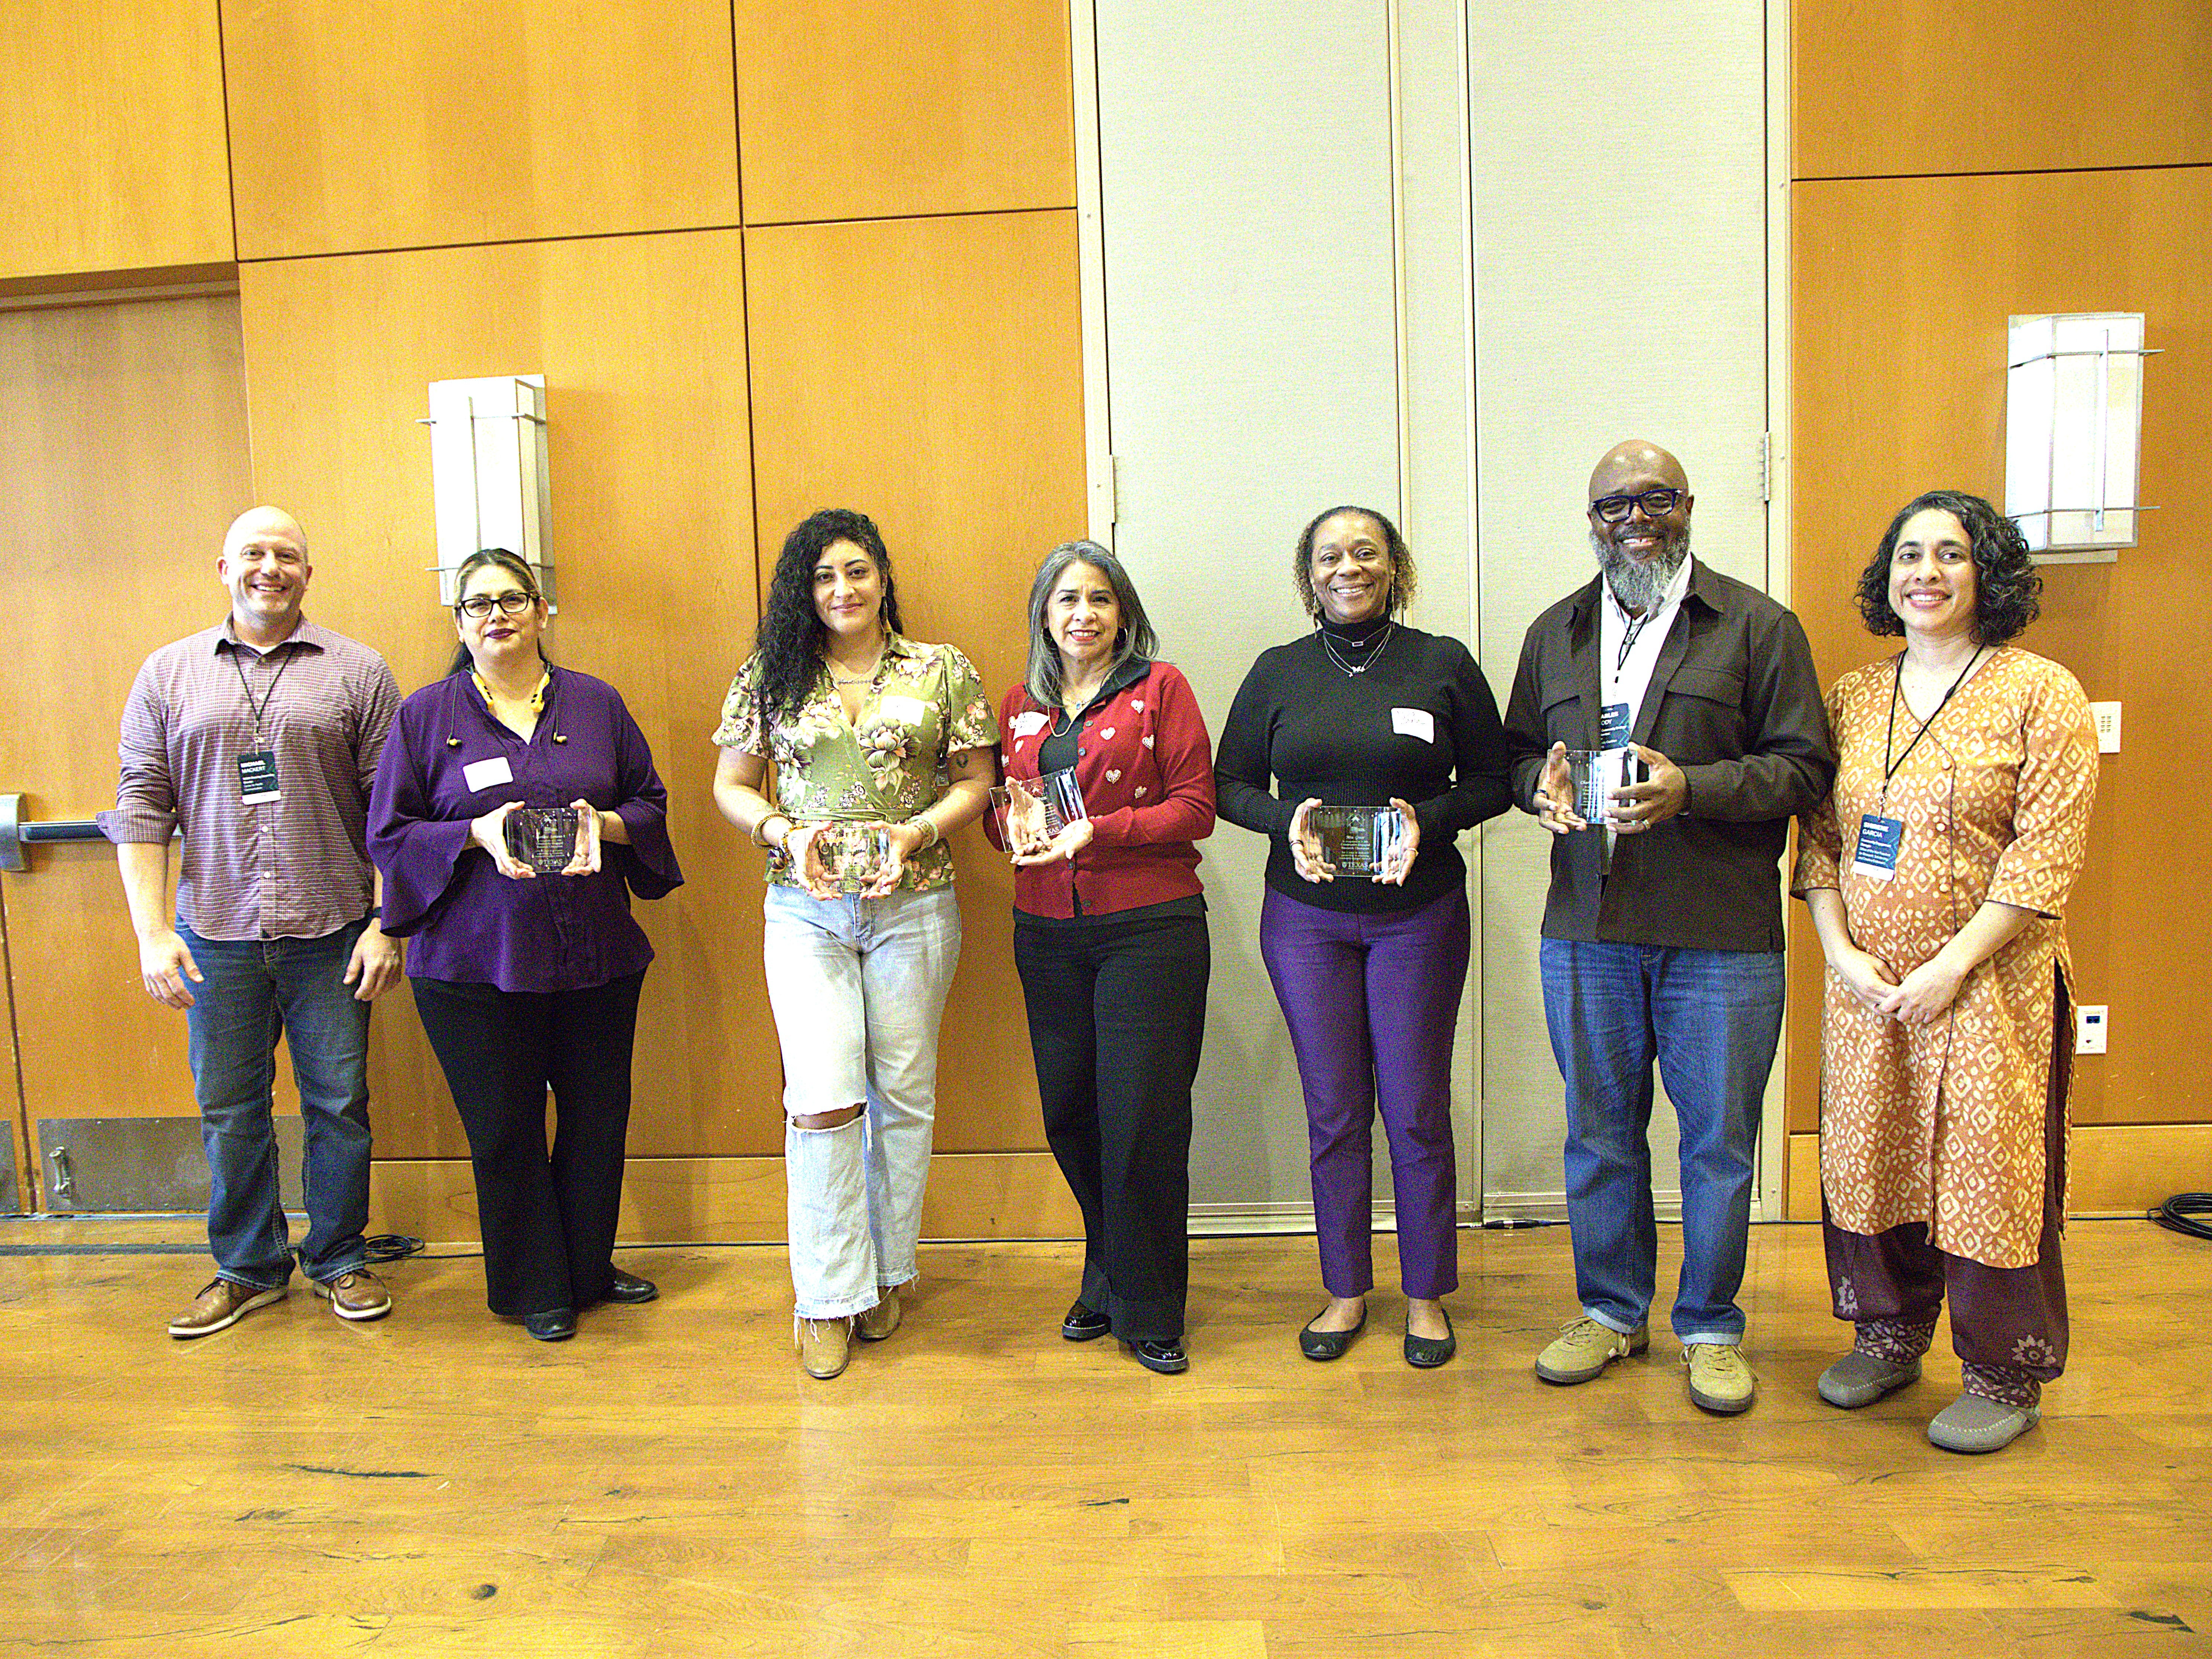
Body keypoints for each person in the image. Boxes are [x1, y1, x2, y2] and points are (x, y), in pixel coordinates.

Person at [1505, 439, 1833, 1415]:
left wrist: (1696, 789)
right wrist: (1539, 788)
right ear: (1593, 518)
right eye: (1614, 505)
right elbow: (1520, 753)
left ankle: (1711, 1326)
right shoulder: (1555, 632)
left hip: (1719, 936)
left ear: (1687, 506)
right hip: (1587, 930)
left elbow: (1807, 771)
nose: (1634, 518)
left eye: (1654, 499)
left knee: (1720, 1144)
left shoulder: (1757, 627)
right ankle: (1611, 1313)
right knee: (1600, 1136)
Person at [1792, 490, 2096, 1453]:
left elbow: (2044, 857)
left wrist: (1953, 967)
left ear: (1988, 574)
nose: (1926, 572)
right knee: (1871, 1158)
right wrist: (1841, 953)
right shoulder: (1851, 696)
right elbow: (1824, 843)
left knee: (1985, 1176)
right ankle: (1887, 1337)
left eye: (1952, 555)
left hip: (1988, 989)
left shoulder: (2041, 694)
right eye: (1910, 555)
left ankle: (2003, 1373)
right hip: (1870, 988)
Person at [1215, 505, 1510, 1368]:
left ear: (1395, 567)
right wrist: (1286, 820)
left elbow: (1494, 781)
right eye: (1329, 556)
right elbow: (1230, 784)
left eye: (1366, 552)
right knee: (1334, 1109)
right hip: (1305, 921)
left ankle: (1426, 1296)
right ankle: (1346, 1289)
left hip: (1418, 917)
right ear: (1308, 576)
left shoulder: (1443, 664)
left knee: (1416, 1108)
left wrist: (1432, 818)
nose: (1348, 567)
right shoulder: (1277, 672)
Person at [101, 506, 404, 1337]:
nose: (270, 567)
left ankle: (340, 1258)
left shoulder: (360, 670)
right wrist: (151, 932)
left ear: (309, 572)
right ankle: (247, 1266)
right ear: (223, 567)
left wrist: (389, 924)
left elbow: (393, 812)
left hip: (334, 929)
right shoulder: (166, 675)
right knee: (230, 1108)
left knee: (338, 1104)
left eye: (288, 556)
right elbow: (140, 809)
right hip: (216, 934)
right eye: (253, 554)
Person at [368, 548, 682, 1342]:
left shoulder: (598, 704)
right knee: (505, 1130)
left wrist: (601, 825)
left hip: (596, 957)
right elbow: (390, 834)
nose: (497, 614)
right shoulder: (424, 717)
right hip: (475, 967)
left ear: (544, 612)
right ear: (460, 623)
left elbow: (649, 802)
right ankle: (533, 1287)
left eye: (513, 599)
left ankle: (586, 1267)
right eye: (478, 604)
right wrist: (474, 832)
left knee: (596, 1120)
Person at [711, 509, 996, 1381]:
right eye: (825, 576)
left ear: (883, 578)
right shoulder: (770, 674)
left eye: (858, 572)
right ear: (807, 588)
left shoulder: (939, 669)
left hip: (915, 906)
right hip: (807, 911)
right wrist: (781, 832)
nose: (843, 590)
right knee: (825, 1097)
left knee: (903, 1094)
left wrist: (916, 834)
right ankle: (828, 1294)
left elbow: (978, 781)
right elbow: (730, 783)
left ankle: (886, 1274)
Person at [988, 540, 1215, 1375]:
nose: (1083, 614)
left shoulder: (1162, 689)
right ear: (1044, 615)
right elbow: (1004, 813)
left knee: (1141, 1121)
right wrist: (1004, 824)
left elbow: (1197, 808)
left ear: (1123, 614)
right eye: (1066, 600)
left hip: (1148, 930)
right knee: (1072, 1114)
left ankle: (1151, 1306)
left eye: (1100, 599)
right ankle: (1107, 1268)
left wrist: (1101, 830)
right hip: (1046, 931)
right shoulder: (1019, 703)